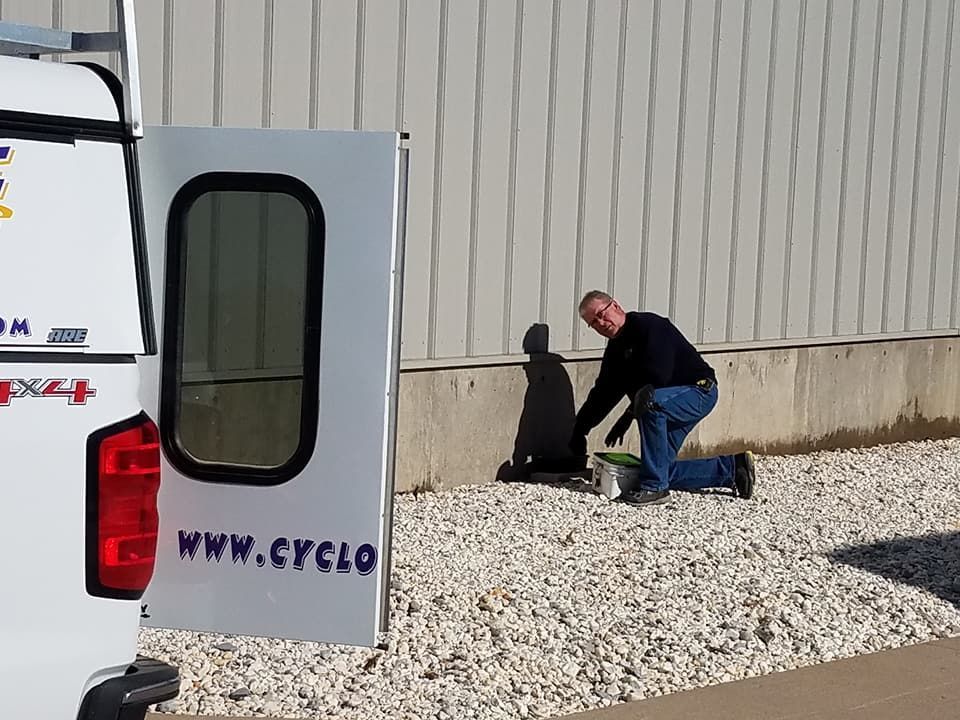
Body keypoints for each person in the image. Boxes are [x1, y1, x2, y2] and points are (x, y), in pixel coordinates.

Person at [569, 290, 756, 506]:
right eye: (593, 322)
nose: (601, 322)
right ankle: (734, 469)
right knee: (657, 467)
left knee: (650, 405)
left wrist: (629, 414)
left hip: (698, 392)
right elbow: (603, 393)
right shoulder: (615, 351)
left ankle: (654, 489)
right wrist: (580, 430)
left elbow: (658, 376)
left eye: (601, 314)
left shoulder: (650, 327)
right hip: (664, 402)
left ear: (616, 306)